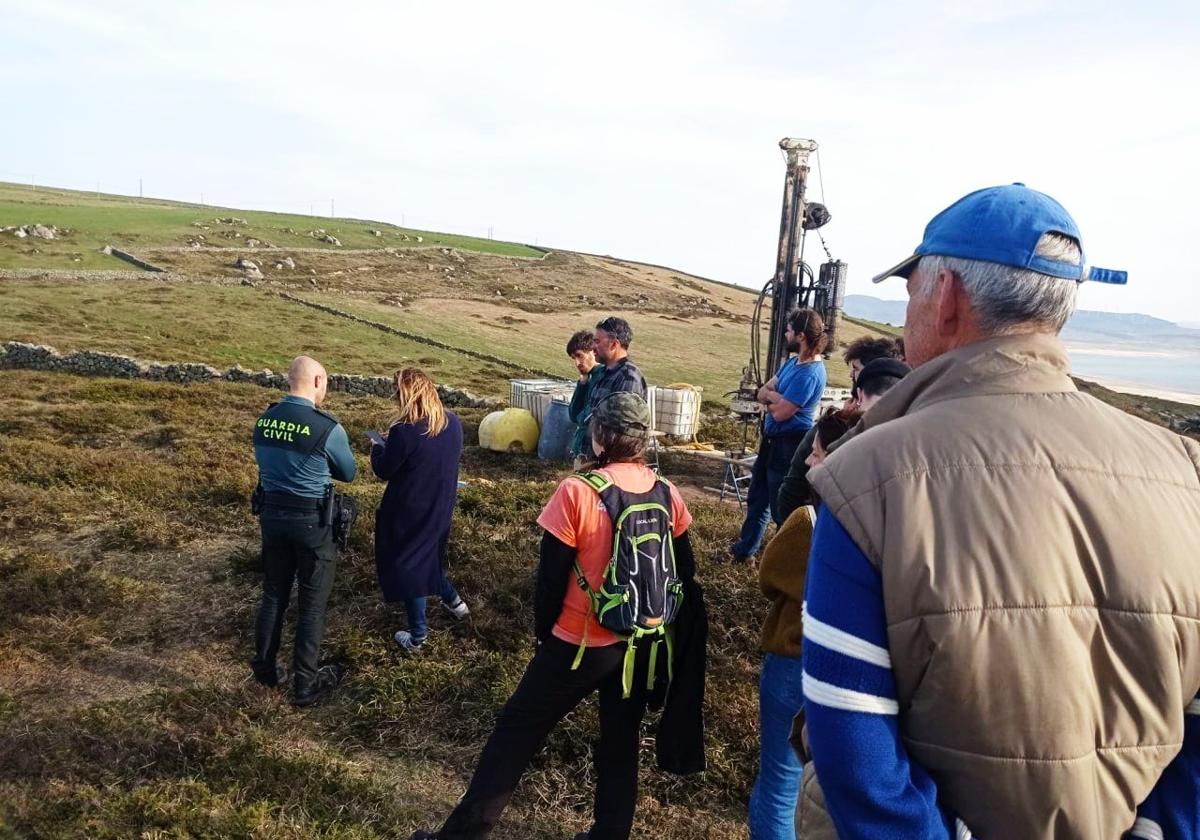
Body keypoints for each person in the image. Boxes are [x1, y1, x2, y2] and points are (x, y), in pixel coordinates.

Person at [798, 183, 1200, 839]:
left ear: (947, 296)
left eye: (911, 294)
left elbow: (855, 751)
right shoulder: (1186, 472)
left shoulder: (869, 478)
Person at [410, 392, 706, 840]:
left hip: (577, 642)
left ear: (602, 436)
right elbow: (684, 569)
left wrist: (545, 636)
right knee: (620, 744)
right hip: (638, 647)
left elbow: (550, 579)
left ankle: (461, 836)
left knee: (515, 734)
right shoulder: (667, 492)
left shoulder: (577, 491)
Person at [750, 403, 861, 840]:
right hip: (850, 673)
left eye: (816, 453)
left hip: (794, 659)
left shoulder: (806, 523)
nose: (810, 461)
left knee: (778, 783)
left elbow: (770, 580)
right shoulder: (880, 526)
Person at [250, 355, 357, 707]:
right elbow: (348, 473)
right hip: (312, 522)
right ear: (317, 382)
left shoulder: (265, 420)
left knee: (274, 594)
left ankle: (265, 670)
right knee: (311, 605)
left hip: (271, 517)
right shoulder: (327, 427)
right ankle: (305, 686)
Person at [370, 368, 468, 652]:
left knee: (408, 564)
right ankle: (456, 604)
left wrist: (377, 448)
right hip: (441, 503)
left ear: (405, 395)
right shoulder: (452, 422)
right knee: (427, 555)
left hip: (408, 508)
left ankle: (418, 636)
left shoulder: (404, 431)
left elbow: (385, 469)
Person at [729, 308, 826, 563]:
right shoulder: (792, 363)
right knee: (757, 498)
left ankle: (786, 561)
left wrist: (772, 399)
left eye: (790, 330)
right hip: (772, 441)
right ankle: (745, 551)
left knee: (781, 506)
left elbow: (782, 413)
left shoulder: (810, 373)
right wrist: (774, 397)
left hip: (790, 444)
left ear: (801, 335)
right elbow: (762, 392)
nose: (786, 334)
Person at [775, 337, 903, 523]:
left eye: (856, 369)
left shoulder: (833, 428)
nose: (851, 375)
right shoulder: (908, 435)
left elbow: (792, 488)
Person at [589, 317, 648, 413]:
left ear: (614, 344)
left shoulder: (628, 378)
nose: (592, 347)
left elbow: (624, 424)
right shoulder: (605, 373)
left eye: (597, 341)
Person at [566, 329, 604, 466]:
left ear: (593, 351)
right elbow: (573, 415)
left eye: (579, 356)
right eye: (573, 358)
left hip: (594, 455)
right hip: (582, 453)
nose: (577, 363)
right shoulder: (589, 378)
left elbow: (589, 418)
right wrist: (582, 385)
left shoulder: (604, 378)